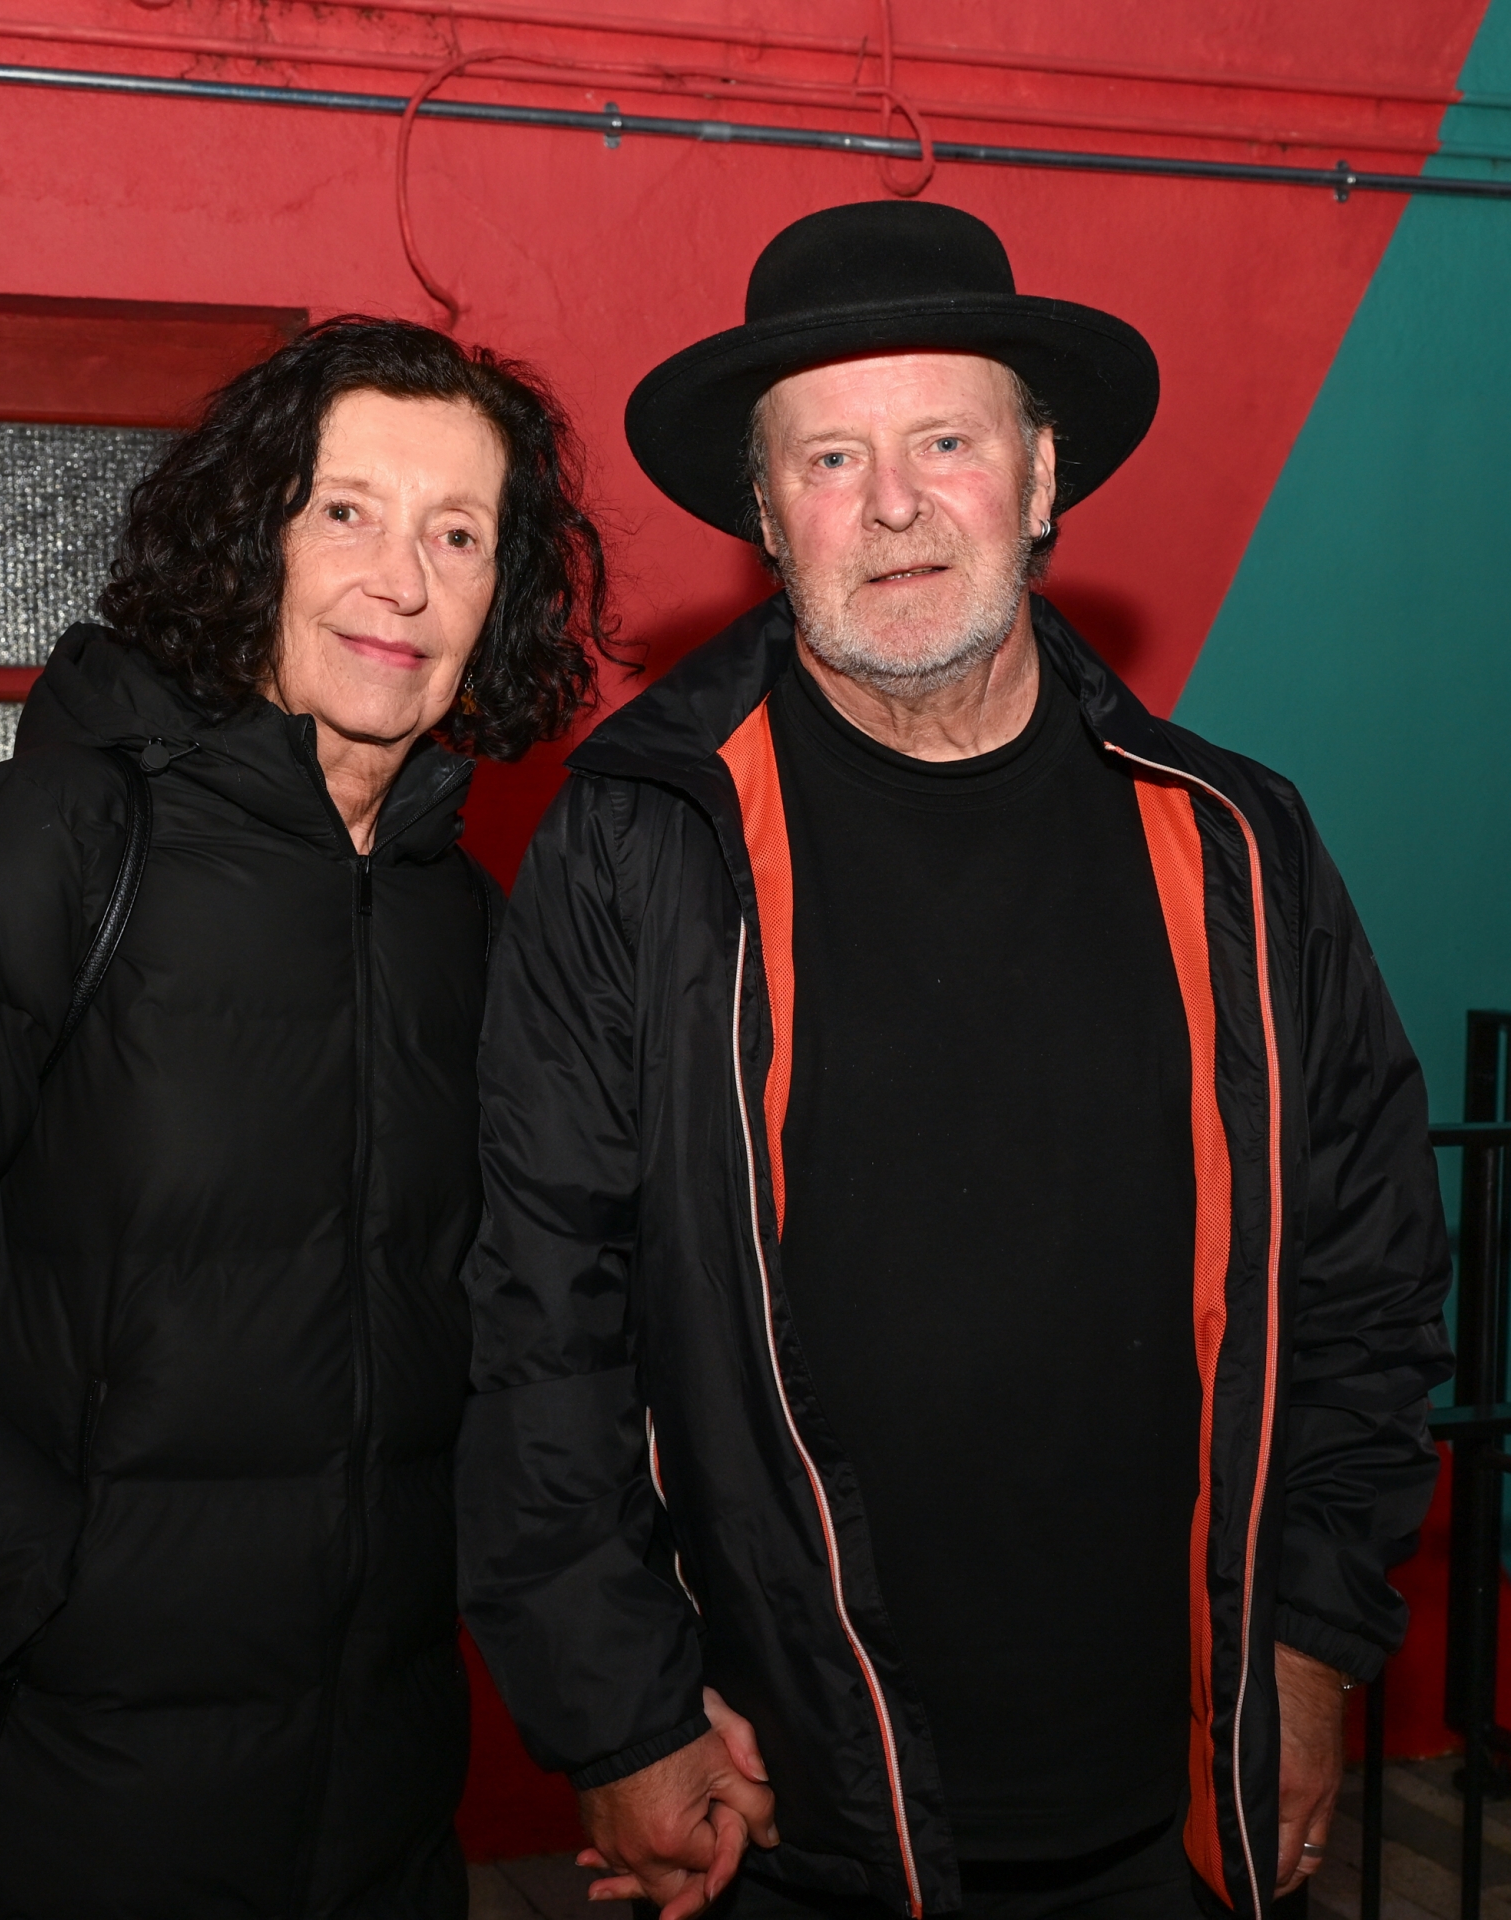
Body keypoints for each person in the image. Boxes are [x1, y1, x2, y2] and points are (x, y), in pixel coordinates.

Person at [456, 201, 1450, 1920]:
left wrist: (1312, 1641)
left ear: (1042, 475)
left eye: (946, 441)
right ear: (766, 511)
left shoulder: (1237, 842)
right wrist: (615, 1711)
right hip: (786, 1807)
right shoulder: (637, 843)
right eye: (832, 457)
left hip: (1172, 1802)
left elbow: (1365, 1271)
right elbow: (543, 1314)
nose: (895, 502)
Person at [0, 316, 613, 1920]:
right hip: (67, 1799)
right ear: (251, 537)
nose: (401, 580)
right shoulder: (52, 846)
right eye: (346, 510)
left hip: (383, 1794)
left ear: (502, 593)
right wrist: (50, 1604)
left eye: (458, 534)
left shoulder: (466, 920)